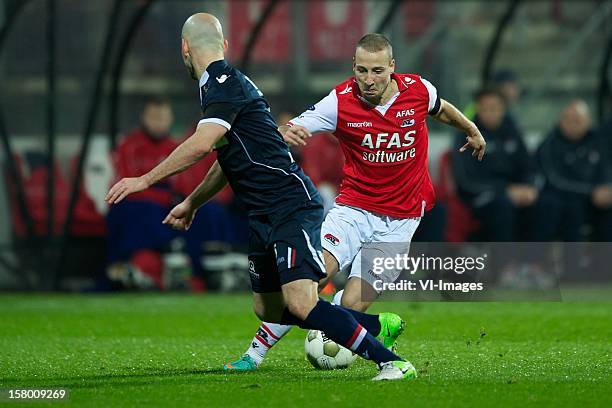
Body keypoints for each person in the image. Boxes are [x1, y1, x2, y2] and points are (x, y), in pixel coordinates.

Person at [106, 14, 428, 381]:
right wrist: (193, 201)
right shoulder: (218, 85)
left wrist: (144, 179)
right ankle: (370, 324)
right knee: (268, 308)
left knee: (301, 302)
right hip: (261, 212)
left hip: (289, 205)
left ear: (184, 48)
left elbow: (202, 144)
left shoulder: (222, 84)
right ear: (224, 44)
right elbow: (229, 158)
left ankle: (393, 362)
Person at [225, 33, 486, 371]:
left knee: (351, 302)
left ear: (392, 67)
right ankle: (254, 354)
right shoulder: (340, 101)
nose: (369, 80)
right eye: (361, 70)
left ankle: (373, 325)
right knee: (310, 282)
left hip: (401, 222)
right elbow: (294, 126)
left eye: (377, 71)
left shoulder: (418, 90)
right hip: (353, 212)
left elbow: (442, 109)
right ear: (354, 67)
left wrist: (472, 129)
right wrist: (288, 131)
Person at [106, 97, 180, 289]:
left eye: (163, 118)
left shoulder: (175, 148)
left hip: (165, 204)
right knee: (141, 211)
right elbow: (126, 186)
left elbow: (180, 187)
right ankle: (139, 269)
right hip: (135, 204)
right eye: (154, 117)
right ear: (143, 118)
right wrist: (163, 197)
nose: (158, 123)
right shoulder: (129, 146)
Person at [452, 88, 536, 242]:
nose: (490, 113)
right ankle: (503, 264)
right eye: (485, 109)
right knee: (503, 207)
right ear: (478, 109)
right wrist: (505, 190)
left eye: (494, 108)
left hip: (513, 192)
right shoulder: (466, 135)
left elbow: (528, 166)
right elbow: (466, 180)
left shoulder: (512, 132)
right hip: (478, 196)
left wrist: (529, 188)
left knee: (543, 203)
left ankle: (534, 263)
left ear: (503, 109)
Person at [532, 100, 612, 241]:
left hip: (595, 198)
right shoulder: (549, 144)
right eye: (568, 119)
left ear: (588, 121)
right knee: (569, 208)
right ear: (560, 121)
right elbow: (555, 180)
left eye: (578, 120)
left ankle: (604, 261)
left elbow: (606, 167)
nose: (573, 124)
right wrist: (592, 191)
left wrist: (607, 187)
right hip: (563, 198)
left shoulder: (598, 141)